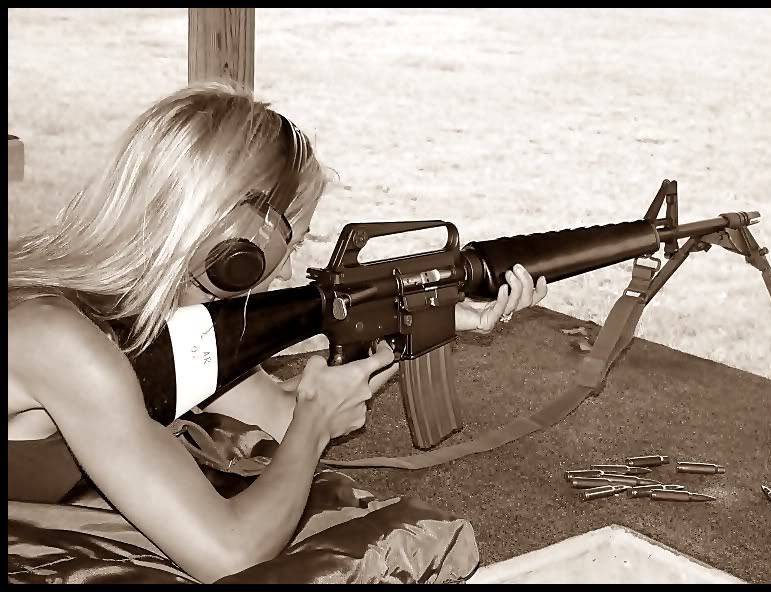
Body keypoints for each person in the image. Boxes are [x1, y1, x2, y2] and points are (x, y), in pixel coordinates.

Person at [7, 82, 547, 583]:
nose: (287, 271)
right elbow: (230, 555)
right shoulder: (61, 340)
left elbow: (275, 413)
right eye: (289, 245)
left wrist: (427, 320)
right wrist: (314, 424)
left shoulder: (162, 311)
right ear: (242, 241)